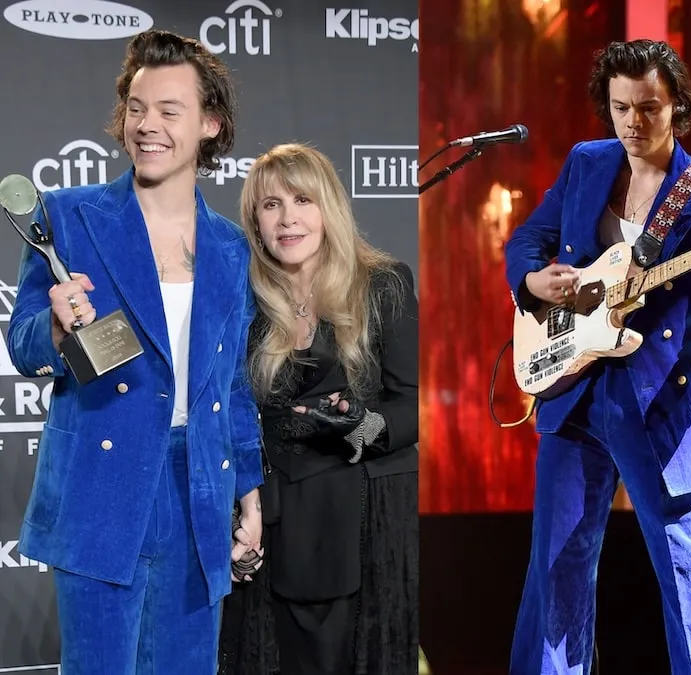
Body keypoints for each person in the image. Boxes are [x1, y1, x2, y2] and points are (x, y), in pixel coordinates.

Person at [5, 29, 262, 674]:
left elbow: (229, 385)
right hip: (102, 489)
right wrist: (57, 329)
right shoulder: (68, 216)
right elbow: (22, 343)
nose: (147, 126)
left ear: (210, 123)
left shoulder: (231, 248)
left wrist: (250, 493)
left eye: (169, 111)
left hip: (197, 489)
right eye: (137, 108)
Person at [504, 39, 691, 675]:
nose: (632, 123)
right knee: (556, 567)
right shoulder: (587, 163)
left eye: (648, 108)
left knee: (687, 571)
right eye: (620, 108)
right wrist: (536, 283)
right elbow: (529, 238)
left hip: (662, 400)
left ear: (678, 107)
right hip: (577, 386)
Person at [216, 143, 419, 675]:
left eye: (302, 200)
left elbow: (416, 402)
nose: (287, 219)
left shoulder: (383, 284)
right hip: (275, 517)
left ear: (327, 206)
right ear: (254, 221)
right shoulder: (244, 299)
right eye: (270, 205)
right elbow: (227, 408)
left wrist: (367, 425)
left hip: (366, 516)